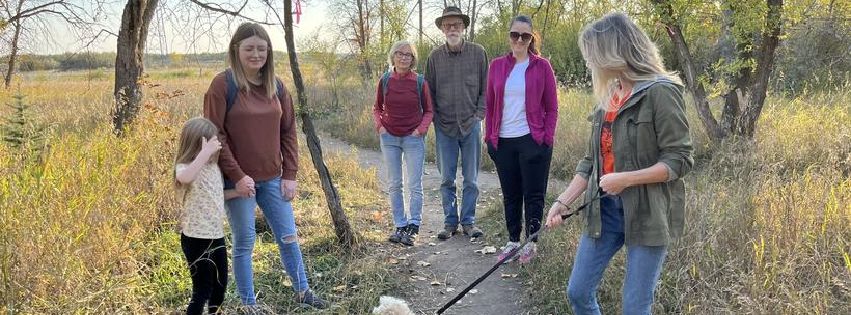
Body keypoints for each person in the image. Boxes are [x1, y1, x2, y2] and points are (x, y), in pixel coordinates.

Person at [544, 12, 693, 315]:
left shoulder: (662, 91)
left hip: (647, 214)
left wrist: (626, 179)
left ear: (613, 52)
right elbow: (590, 161)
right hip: (604, 212)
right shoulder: (610, 95)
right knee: (578, 291)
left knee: (635, 307)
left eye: (592, 55)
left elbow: (680, 160)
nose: (590, 63)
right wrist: (563, 200)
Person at [203, 22, 327, 309]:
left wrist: (290, 174)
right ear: (236, 50)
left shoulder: (277, 85)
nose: (256, 54)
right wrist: (237, 175)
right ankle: (248, 304)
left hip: (273, 178)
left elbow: (288, 131)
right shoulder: (222, 85)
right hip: (238, 182)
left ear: (269, 51)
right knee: (245, 241)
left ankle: (303, 292)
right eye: (249, 48)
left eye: (262, 48)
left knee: (288, 236)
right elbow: (214, 134)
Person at [485, 15, 558, 264]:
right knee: (511, 194)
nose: (519, 40)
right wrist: (489, 140)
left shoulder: (542, 66)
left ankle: (531, 243)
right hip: (503, 142)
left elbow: (552, 107)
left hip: (532, 139)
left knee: (533, 194)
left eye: (524, 36)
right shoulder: (496, 66)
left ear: (531, 39)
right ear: (509, 36)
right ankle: (513, 241)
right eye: (515, 35)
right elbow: (490, 106)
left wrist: (546, 139)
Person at [426, 6, 488, 240]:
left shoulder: (478, 53)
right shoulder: (434, 57)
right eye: (448, 25)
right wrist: (435, 119)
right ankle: (450, 223)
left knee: (471, 178)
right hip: (444, 127)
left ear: (463, 27)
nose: (452, 29)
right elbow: (429, 93)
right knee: (446, 178)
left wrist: (479, 116)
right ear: (442, 29)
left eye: (456, 25)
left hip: (471, 125)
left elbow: (485, 88)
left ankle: (469, 222)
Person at [373, 40, 434, 246]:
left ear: (413, 58)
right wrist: (380, 127)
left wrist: (420, 130)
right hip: (389, 137)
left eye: (408, 54)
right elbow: (377, 108)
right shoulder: (385, 80)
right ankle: (400, 225)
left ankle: (413, 226)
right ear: (393, 56)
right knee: (395, 184)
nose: (403, 57)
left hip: (413, 138)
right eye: (400, 53)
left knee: (415, 184)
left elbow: (429, 111)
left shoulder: (419, 82)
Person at [174, 117, 237, 315]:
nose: (216, 148)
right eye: (211, 143)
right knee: (202, 291)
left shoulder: (213, 168)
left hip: (216, 236)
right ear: (197, 144)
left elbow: (216, 195)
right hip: (196, 239)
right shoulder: (186, 167)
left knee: (220, 287)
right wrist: (204, 154)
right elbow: (184, 178)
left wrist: (237, 193)